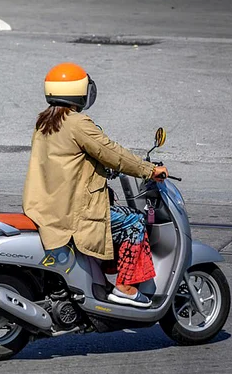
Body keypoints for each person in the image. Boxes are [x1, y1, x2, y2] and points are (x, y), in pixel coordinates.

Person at [22, 62, 167, 308]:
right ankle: (126, 287)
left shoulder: (44, 122)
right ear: (80, 91)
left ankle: (96, 280)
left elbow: (68, 160)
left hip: (45, 206)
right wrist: (149, 170)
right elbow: (112, 153)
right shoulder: (77, 122)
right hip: (72, 211)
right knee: (134, 221)